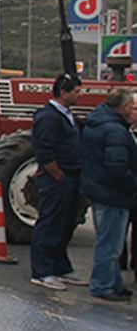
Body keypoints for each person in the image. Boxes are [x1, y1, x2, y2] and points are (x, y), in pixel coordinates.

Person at [29, 73, 87, 291]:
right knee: (50, 223)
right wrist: (55, 172)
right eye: (77, 91)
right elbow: (43, 148)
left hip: (71, 176)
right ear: (63, 92)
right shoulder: (48, 117)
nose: (80, 95)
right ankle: (42, 271)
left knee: (65, 224)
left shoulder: (67, 115)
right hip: (57, 179)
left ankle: (61, 267)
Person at [79, 87, 137, 302]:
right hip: (112, 194)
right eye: (132, 107)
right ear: (122, 108)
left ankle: (113, 282)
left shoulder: (100, 122)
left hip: (102, 190)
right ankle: (103, 285)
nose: (134, 111)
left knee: (111, 242)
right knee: (110, 243)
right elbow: (117, 167)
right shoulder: (115, 131)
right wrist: (133, 185)